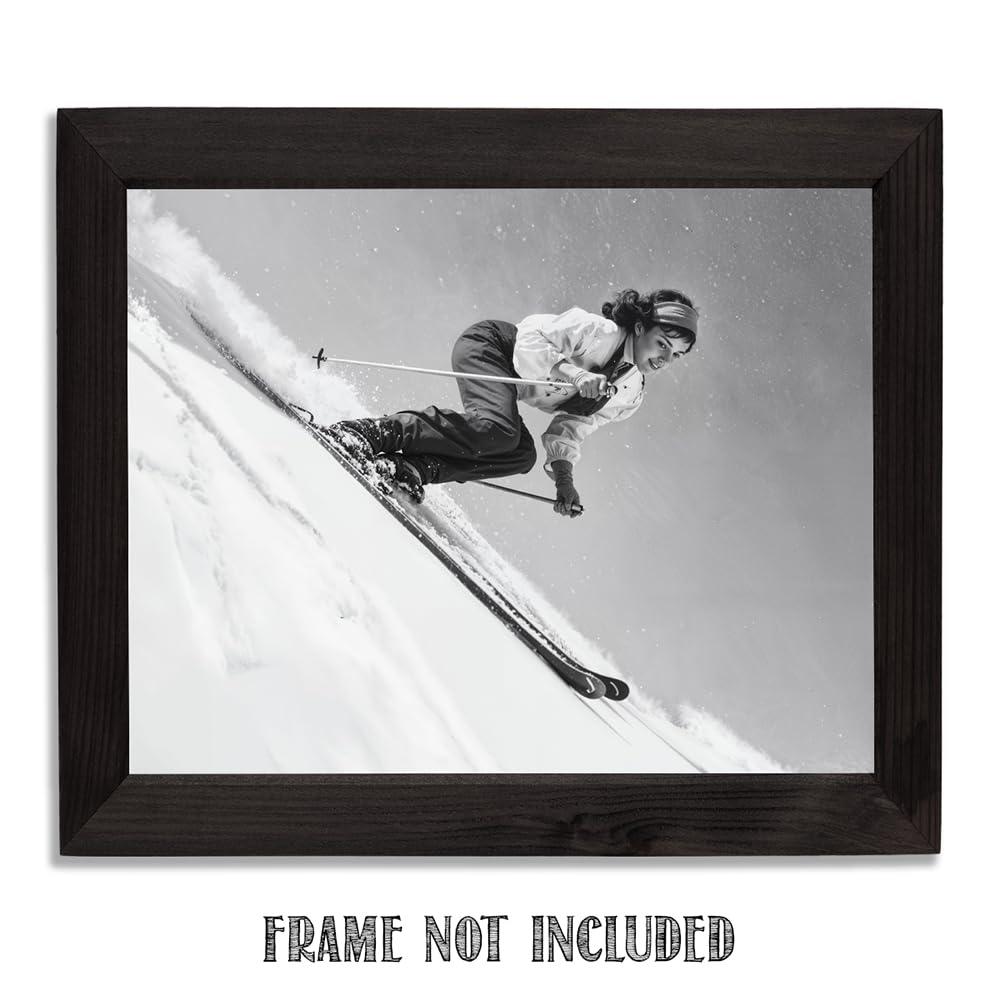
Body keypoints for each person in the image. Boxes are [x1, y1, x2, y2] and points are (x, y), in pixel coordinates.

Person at [327, 288, 698, 516]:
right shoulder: (598, 332)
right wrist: (575, 373)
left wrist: (564, 481)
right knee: (498, 430)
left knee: (520, 456)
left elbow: (572, 428)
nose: (665, 358)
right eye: (662, 344)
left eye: (677, 355)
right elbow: (531, 336)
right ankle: (370, 434)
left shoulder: (629, 394)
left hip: (511, 380)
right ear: (640, 327)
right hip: (491, 346)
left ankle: (412, 469)